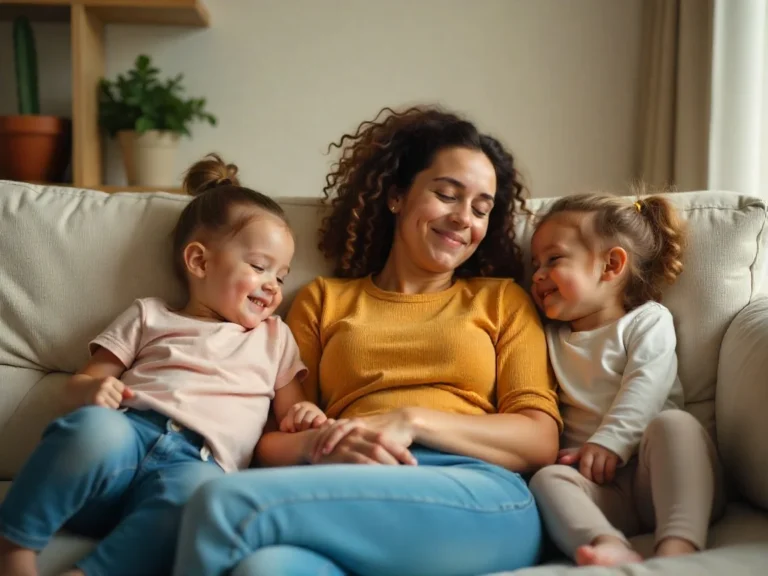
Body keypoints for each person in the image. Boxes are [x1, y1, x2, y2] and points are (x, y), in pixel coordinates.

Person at [172, 106, 563, 576]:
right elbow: (271, 442)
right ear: (397, 196)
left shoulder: (502, 300)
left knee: (220, 504)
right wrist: (319, 446)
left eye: (481, 209)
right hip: (349, 487)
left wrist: (410, 421)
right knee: (265, 570)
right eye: (446, 195)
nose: (464, 219)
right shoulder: (323, 300)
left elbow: (540, 438)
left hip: (475, 495)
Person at [0, 154, 325, 576]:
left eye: (281, 277)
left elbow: (289, 415)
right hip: (126, 442)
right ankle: (15, 546)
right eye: (260, 267)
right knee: (93, 430)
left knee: (201, 502)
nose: (272, 285)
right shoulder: (149, 315)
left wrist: (305, 414)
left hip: (197, 466)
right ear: (200, 261)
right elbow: (81, 383)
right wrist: (91, 392)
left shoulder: (275, 337)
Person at [527, 193, 725, 567]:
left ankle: (679, 545)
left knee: (674, 424)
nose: (537, 274)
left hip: (666, 478)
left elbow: (646, 385)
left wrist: (611, 440)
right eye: (534, 263)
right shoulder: (547, 336)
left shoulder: (647, 321)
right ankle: (606, 541)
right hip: (606, 490)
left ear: (611, 265)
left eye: (553, 260)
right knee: (546, 479)